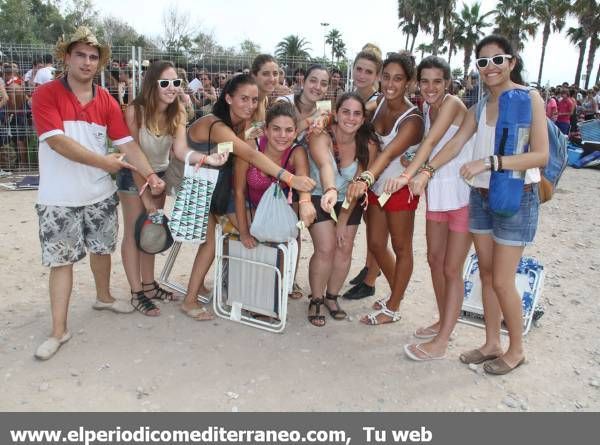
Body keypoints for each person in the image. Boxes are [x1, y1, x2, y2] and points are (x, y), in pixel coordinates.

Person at [408, 34, 548, 375]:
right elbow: (455, 144)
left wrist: (491, 163)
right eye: (483, 62)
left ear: (511, 62)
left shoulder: (530, 99)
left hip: (517, 196)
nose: (490, 68)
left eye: (497, 60)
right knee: (485, 275)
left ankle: (516, 349)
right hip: (481, 198)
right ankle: (491, 343)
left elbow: (540, 155)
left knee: (501, 280)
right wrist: (425, 172)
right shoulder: (479, 107)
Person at [31, 26, 166, 360]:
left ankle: (103, 297)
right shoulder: (46, 94)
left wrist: (149, 174)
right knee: (62, 262)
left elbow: (127, 144)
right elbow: (57, 142)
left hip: (98, 194)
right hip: (59, 196)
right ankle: (58, 330)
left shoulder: (105, 99)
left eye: (93, 57)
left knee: (101, 249)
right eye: (80, 55)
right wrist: (105, 163)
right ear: (66, 57)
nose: (87, 62)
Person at [180, 74, 316, 320]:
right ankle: (189, 300)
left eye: (254, 100)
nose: (250, 105)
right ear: (229, 98)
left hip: (218, 187)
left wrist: (315, 121)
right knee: (212, 242)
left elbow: (279, 128)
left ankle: (206, 286)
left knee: (249, 227)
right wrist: (290, 178)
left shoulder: (240, 124)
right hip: (197, 187)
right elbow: (250, 156)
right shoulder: (217, 125)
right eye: (243, 99)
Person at [118, 60, 228, 317]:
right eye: (164, 83)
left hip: (158, 175)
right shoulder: (136, 111)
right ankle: (137, 292)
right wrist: (146, 197)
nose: (171, 88)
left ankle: (149, 285)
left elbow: (179, 150)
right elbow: (132, 153)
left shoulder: (177, 110)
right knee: (135, 233)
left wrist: (207, 159)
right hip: (133, 174)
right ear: (152, 84)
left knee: (151, 231)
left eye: (176, 83)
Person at [383, 56, 472, 360]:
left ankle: (444, 338)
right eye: (425, 81)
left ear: (447, 82)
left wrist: (408, 175)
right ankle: (442, 319)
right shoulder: (426, 108)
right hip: (438, 193)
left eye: (437, 81)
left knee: (451, 267)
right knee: (434, 260)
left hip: (461, 194)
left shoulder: (452, 104)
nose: (431, 87)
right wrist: (412, 163)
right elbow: (425, 146)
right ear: (417, 83)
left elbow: (433, 140)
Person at [345, 52, 424, 325]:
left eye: (398, 79)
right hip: (377, 186)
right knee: (377, 245)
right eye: (387, 77)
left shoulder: (413, 120)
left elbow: (389, 153)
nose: (391, 83)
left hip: (399, 186)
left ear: (409, 82)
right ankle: (396, 295)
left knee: (402, 247)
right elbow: (353, 122)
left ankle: (393, 306)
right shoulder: (377, 104)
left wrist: (364, 178)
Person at [306, 92, 378, 326]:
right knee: (326, 248)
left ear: (363, 118)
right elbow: (325, 165)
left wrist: (344, 219)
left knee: (344, 247)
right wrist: (330, 190)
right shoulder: (321, 135)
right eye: (345, 112)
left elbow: (358, 187)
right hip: (320, 194)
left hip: (349, 200)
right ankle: (315, 298)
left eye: (357, 113)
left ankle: (331, 296)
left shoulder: (368, 144)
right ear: (335, 113)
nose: (351, 118)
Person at [232, 101, 316, 249]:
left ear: (296, 132)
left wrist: (305, 202)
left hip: (280, 205)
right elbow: (239, 192)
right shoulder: (251, 147)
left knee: (289, 234)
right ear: (266, 130)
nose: (282, 136)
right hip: (248, 206)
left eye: (289, 130)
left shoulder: (296, 152)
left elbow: (303, 182)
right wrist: (244, 232)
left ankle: (288, 271)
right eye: (276, 129)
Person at [343, 46, 384, 300]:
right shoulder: (353, 96)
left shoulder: (379, 101)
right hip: (362, 167)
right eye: (358, 69)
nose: (361, 75)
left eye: (368, 71)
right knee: (370, 222)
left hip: (379, 170)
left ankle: (371, 279)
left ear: (377, 75)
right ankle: (370, 267)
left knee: (377, 227)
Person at [277, 65, 331, 148]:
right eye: (313, 81)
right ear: (303, 82)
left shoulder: (324, 107)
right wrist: (313, 117)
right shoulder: (284, 102)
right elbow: (283, 135)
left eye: (323, 84)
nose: (317, 87)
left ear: (327, 89)